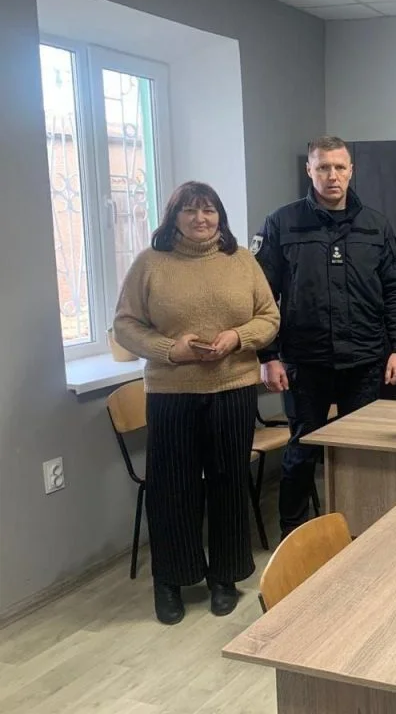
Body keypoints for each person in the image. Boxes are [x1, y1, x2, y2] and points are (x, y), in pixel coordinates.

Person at [113, 181, 280, 625]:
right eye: (190, 210)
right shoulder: (150, 264)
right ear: (174, 218)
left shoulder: (241, 260)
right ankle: (171, 580)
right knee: (172, 487)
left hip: (232, 388)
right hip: (172, 393)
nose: (200, 219)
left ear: (220, 216)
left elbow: (269, 317)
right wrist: (171, 349)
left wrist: (237, 337)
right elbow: (125, 325)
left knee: (228, 482)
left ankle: (225, 576)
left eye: (208, 210)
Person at [254, 136, 396, 539]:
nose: (332, 175)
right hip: (305, 361)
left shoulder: (376, 224)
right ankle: (294, 536)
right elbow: (261, 295)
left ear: (351, 170)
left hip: (365, 359)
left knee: (363, 450)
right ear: (309, 170)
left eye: (339, 167)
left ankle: (362, 529)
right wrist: (268, 356)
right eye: (323, 167)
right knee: (302, 449)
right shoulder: (282, 223)